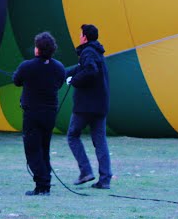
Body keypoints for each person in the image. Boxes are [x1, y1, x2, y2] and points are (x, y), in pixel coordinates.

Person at [12, 31, 66, 196]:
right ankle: (45, 184)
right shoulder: (58, 67)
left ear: (37, 49)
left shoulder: (27, 66)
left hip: (32, 114)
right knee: (44, 148)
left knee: (33, 150)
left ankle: (41, 185)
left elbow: (16, 81)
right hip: (50, 114)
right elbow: (59, 83)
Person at [66, 23, 112, 189]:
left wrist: (74, 81)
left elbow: (89, 70)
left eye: (80, 35)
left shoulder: (88, 52)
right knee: (100, 141)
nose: (79, 37)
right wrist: (64, 73)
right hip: (100, 105)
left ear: (84, 37)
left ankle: (85, 171)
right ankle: (105, 179)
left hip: (86, 106)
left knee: (72, 135)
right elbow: (81, 68)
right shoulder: (97, 52)